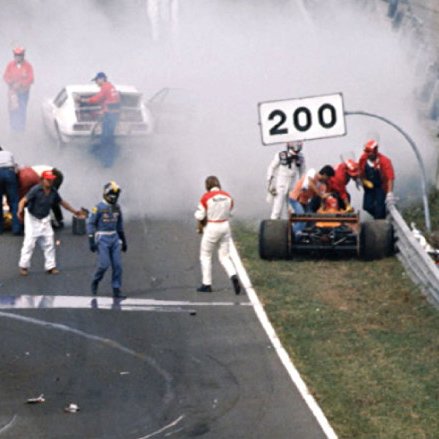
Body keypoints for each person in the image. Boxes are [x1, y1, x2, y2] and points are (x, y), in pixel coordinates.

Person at [17, 170, 83, 276]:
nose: (50, 182)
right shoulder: (36, 190)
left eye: (51, 180)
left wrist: (75, 211)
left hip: (45, 218)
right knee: (29, 243)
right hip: (32, 218)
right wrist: (20, 211)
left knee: (49, 242)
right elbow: (23, 201)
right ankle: (24, 266)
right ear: (42, 180)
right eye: (48, 180)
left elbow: (62, 203)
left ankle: (51, 266)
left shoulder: (53, 191)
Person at [194, 175, 241, 294]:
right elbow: (231, 212)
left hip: (212, 226)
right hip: (225, 226)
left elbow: (200, 215)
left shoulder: (206, 197)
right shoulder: (228, 196)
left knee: (206, 255)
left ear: (207, 186)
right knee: (224, 256)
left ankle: (207, 284)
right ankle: (233, 275)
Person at [87, 181, 127, 299]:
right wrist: (91, 239)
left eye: (116, 194)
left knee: (118, 266)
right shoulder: (98, 208)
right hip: (102, 238)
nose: (114, 197)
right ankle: (95, 280)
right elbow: (91, 223)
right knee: (104, 265)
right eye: (112, 194)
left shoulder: (117, 208)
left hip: (114, 237)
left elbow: (119, 225)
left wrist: (123, 240)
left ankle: (116, 289)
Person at [78, 72, 121, 167]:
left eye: (96, 80)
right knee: (109, 138)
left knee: (106, 138)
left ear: (102, 79)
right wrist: (102, 111)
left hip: (110, 116)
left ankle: (107, 162)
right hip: (114, 115)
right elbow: (109, 101)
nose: (96, 83)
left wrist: (82, 100)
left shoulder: (105, 87)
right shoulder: (111, 87)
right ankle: (109, 157)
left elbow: (96, 99)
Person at [288, 165, 335, 237]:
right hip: (295, 199)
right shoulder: (312, 172)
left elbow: (321, 197)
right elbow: (310, 184)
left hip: (304, 202)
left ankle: (305, 236)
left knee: (311, 218)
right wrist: (321, 195)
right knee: (302, 217)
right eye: (328, 178)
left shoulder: (323, 186)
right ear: (325, 175)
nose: (328, 180)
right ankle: (294, 236)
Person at [266, 140, 305, 219]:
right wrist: (270, 181)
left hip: (293, 184)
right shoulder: (281, 155)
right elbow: (272, 167)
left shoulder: (300, 157)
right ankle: (274, 223)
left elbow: (302, 172)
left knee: (291, 208)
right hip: (281, 183)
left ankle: (291, 225)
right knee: (277, 208)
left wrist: (302, 187)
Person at [359, 139, 395, 219]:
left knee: (380, 207)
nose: (368, 154)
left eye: (370, 152)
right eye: (367, 152)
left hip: (380, 186)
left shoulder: (384, 161)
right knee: (367, 206)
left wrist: (389, 193)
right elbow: (360, 170)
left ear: (375, 151)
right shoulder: (363, 159)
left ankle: (380, 218)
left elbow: (390, 177)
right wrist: (362, 180)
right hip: (369, 186)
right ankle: (380, 216)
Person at [3, 47, 34, 132]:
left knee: (22, 109)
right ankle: (13, 127)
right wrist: (11, 82)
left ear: (23, 56)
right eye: (16, 56)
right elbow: (5, 76)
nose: (18, 57)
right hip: (12, 92)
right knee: (12, 109)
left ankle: (21, 128)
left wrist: (21, 84)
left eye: (19, 55)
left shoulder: (28, 66)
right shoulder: (10, 65)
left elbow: (31, 79)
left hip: (23, 93)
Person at [0, 146, 20, 235]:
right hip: (9, 172)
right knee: (14, 202)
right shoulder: (8, 153)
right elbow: (16, 168)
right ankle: (16, 229)